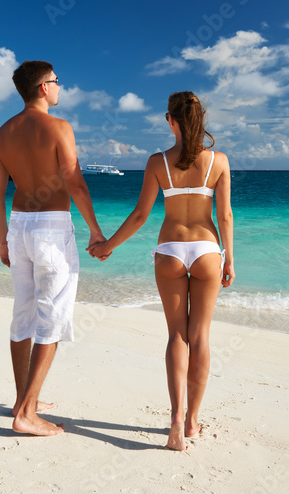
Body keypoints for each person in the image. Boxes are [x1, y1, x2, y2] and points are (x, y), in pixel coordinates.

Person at [89, 91, 235, 450]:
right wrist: (229, 258)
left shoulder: (158, 162)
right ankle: (192, 423)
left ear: (170, 120)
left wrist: (108, 245)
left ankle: (173, 419)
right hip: (206, 251)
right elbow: (225, 216)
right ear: (201, 121)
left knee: (177, 336)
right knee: (200, 338)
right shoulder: (218, 161)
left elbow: (140, 215)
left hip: (169, 250)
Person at [0, 60, 105, 436]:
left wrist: (3, 237)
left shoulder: (3, 133)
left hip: (19, 227)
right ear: (42, 88)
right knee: (51, 319)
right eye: (56, 81)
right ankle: (25, 414)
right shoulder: (59, 127)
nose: (59, 87)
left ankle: (25, 399)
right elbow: (75, 182)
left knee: (23, 315)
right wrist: (95, 231)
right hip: (52, 228)